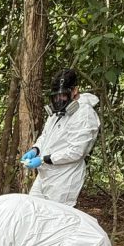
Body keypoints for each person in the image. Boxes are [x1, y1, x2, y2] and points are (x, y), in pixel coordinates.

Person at [21, 68, 100, 207]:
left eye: (63, 95)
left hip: (64, 179)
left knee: (55, 217)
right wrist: (35, 150)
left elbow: (76, 152)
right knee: (32, 209)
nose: (59, 100)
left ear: (75, 91)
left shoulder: (84, 114)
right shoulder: (57, 113)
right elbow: (46, 136)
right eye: (56, 96)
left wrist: (43, 159)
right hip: (45, 175)